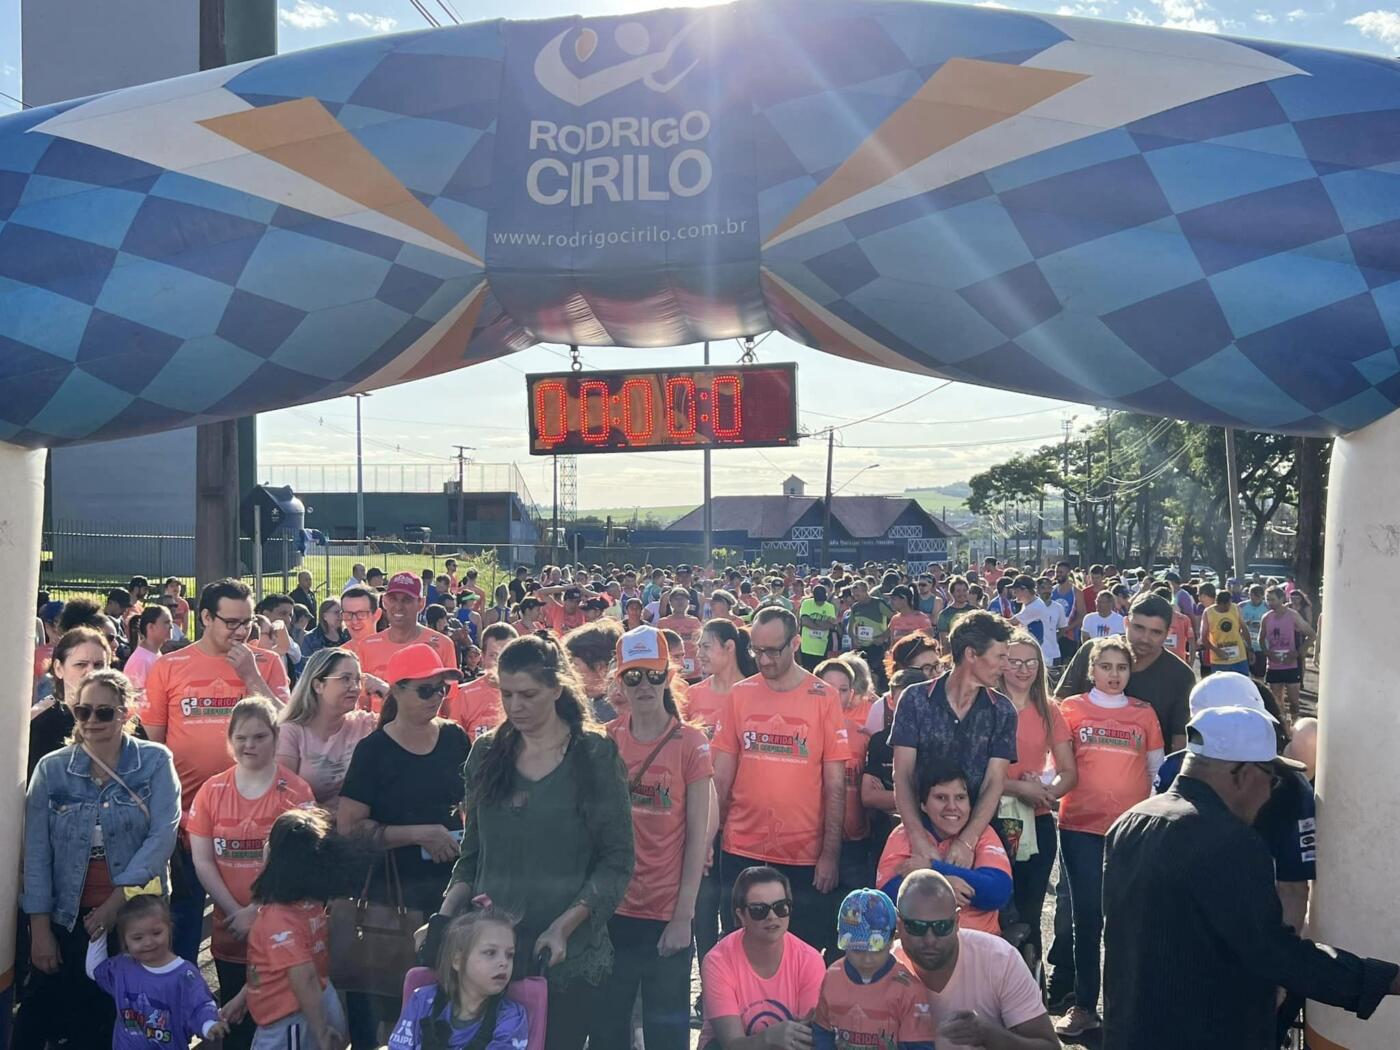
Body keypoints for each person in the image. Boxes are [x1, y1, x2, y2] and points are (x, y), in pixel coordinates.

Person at [1102, 706, 1400, 1050]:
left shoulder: (1130, 821)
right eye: (1272, 779)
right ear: (1242, 773)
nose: (1271, 793)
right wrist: (1384, 979)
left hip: (1129, 1032)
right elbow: (1274, 952)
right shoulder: (1227, 841)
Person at [442, 633, 634, 1050]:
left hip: (566, 960)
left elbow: (617, 861)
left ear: (557, 688)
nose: (516, 706)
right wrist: (444, 918)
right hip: (487, 958)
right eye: (507, 694)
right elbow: (471, 855)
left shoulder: (595, 754)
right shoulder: (485, 753)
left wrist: (564, 927)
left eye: (528, 695)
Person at [18, 669, 181, 1050]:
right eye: (83, 711)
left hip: (135, 917)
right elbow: (36, 854)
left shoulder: (155, 761)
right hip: (68, 918)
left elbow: (163, 837)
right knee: (70, 1024)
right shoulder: (52, 769)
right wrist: (39, 929)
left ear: (126, 713)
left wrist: (114, 904)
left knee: (131, 1023)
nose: (91, 721)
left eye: (104, 712)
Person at [140, 577, 291, 962]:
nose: (242, 632)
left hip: (254, 818)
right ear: (206, 617)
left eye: (248, 622)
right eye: (232, 622)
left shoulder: (267, 662)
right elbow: (155, 746)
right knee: (184, 919)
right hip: (187, 817)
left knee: (254, 920)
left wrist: (252, 677)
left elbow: (289, 728)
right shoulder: (169, 666)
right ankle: (184, 988)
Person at [336, 643, 470, 1046]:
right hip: (390, 899)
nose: (436, 698)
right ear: (396, 690)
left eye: (441, 689)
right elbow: (349, 826)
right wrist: (418, 833)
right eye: (425, 690)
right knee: (385, 1017)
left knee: (446, 1015)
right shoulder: (374, 750)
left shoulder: (454, 738)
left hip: (448, 894)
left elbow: (473, 804)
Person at [596, 626, 714, 1050]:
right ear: (619, 682)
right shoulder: (607, 740)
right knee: (608, 1029)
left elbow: (698, 837)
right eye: (632, 676)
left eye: (653, 674)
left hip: (666, 911)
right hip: (614, 908)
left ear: (669, 675)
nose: (643, 685)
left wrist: (683, 917)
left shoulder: (692, 743)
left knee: (667, 1032)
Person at [712, 607, 850, 951]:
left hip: (802, 854)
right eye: (756, 650)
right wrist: (707, 843)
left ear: (796, 643)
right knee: (740, 947)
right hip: (741, 846)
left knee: (799, 951)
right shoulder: (740, 694)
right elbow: (721, 778)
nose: (763, 660)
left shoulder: (824, 697)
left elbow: (835, 785)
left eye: (773, 651)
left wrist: (830, 854)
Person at [1053, 635, 1165, 1039]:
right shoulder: (1070, 709)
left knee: (1128, 919)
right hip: (1079, 826)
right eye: (1106, 667)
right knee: (1086, 917)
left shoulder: (1144, 713)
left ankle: (1126, 1009)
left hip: (1131, 831)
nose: (1114, 675)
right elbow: (1056, 763)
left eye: (1121, 667)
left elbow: (1157, 771)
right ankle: (1084, 1006)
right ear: (1092, 670)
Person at [190, 698, 316, 1049]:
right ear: (229, 740)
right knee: (236, 1025)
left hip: (283, 935)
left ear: (275, 737)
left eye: (260, 736)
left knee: (278, 1025)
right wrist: (236, 912)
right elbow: (203, 860)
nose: (250, 745)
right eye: (241, 737)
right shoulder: (212, 791)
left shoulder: (297, 792)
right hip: (231, 931)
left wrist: (258, 913)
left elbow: (301, 864)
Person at [890, 612, 1016, 885]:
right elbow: (902, 774)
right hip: (920, 827)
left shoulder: (1003, 710)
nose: (1006, 665)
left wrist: (968, 841)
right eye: (1000, 657)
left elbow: (994, 782)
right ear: (971, 654)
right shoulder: (915, 699)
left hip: (978, 832)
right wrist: (917, 836)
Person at [225, 809, 350, 1050]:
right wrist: (244, 998)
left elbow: (304, 977)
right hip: (310, 1008)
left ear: (276, 860)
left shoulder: (279, 920)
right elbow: (276, 970)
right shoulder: (309, 906)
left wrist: (321, 1032)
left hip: (291, 1024)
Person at [892, 871, 1059, 1050]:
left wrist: (990, 1035)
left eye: (942, 926)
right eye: (917, 927)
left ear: (957, 922)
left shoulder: (1000, 960)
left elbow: (1049, 1046)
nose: (930, 939)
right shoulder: (885, 967)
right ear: (899, 925)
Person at [997, 629, 1075, 952]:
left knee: (1029, 913)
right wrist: (1019, 788)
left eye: (1031, 662)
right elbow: (974, 774)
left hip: (1036, 818)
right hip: (993, 818)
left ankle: (1030, 976)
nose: (1023, 669)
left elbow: (1068, 772)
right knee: (997, 911)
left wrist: (1045, 792)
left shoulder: (1049, 709)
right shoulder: (987, 706)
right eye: (1015, 661)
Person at [876, 759, 1012, 935]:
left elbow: (998, 892)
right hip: (921, 943)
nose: (952, 807)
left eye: (960, 798)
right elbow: (883, 901)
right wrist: (941, 887)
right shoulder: (904, 834)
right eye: (941, 798)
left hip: (980, 940)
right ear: (923, 805)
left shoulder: (982, 833)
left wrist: (932, 868)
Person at [699, 866, 826, 1050]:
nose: (772, 916)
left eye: (781, 907)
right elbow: (731, 1045)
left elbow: (807, 1037)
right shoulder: (718, 961)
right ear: (741, 916)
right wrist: (767, 1039)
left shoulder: (810, 960)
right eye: (759, 910)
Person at [1056, 592, 1195, 752]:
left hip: (1147, 765)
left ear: (1168, 632)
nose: (1145, 638)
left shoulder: (1181, 675)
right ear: (1126, 623)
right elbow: (1059, 709)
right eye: (1139, 628)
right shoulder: (1093, 652)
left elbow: (1180, 742)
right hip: (1081, 761)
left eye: (1155, 632)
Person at [86, 894, 229, 1049]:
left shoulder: (185, 975)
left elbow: (201, 1005)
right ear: (125, 941)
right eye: (138, 938)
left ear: (169, 929)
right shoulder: (122, 967)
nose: (148, 942)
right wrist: (98, 935)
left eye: (156, 933)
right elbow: (95, 970)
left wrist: (209, 1024)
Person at [386, 907, 530, 1049]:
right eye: (490, 952)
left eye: (509, 955)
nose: (504, 962)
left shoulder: (511, 1017)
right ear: (458, 960)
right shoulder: (422, 1001)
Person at [812, 888, 935, 1050]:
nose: (867, 958)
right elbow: (822, 1031)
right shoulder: (833, 976)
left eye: (877, 949)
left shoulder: (908, 988)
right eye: (857, 950)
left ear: (892, 939)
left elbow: (918, 1045)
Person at [276, 648, 378, 813]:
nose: (355, 687)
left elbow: (408, 723)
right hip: (309, 824)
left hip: (359, 824)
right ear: (318, 685)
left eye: (358, 680)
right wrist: (328, 814)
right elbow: (283, 795)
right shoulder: (291, 732)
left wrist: (384, 688)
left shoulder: (365, 724)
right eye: (345, 679)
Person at [349, 573, 458, 714]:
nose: (398, 606)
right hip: (377, 726)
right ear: (384, 601)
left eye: (407, 600)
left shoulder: (443, 645)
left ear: (421, 603)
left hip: (425, 726)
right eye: (393, 599)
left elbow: (450, 703)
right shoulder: (366, 646)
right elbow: (362, 703)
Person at [814, 657, 876, 896]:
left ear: (851, 694)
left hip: (854, 842)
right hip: (809, 839)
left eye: (842, 690)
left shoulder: (862, 736)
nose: (834, 696)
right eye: (828, 688)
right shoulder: (801, 731)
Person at [29, 625, 113, 775]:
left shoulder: (121, 718)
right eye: (81, 664)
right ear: (58, 668)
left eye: (99, 665)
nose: (91, 671)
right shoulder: (42, 726)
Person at [446, 621, 517, 741]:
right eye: (493, 655)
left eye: (507, 655)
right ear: (482, 657)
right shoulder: (466, 696)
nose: (500, 662)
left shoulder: (530, 694)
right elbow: (452, 742)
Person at [1261, 585, 1314, 727]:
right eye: (1267, 600)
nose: (1270, 603)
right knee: (1277, 701)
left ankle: (1295, 724)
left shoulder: (1292, 615)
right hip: (1274, 666)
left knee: (1294, 701)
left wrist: (1298, 652)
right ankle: (1284, 726)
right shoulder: (1266, 617)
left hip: (1291, 665)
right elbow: (1261, 639)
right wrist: (1267, 652)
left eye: (1272, 600)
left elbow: (1311, 635)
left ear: (1281, 599)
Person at [847, 580, 893, 692]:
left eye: (857, 595)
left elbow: (895, 620)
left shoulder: (878, 603)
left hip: (877, 645)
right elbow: (850, 627)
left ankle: (876, 695)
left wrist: (884, 636)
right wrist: (854, 638)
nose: (855, 598)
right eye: (853, 595)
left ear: (865, 591)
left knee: (875, 673)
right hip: (862, 646)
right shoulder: (855, 607)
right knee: (863, 673)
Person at [656, 587, 705, 680]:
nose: (680, 602)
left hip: (694, 672)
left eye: (683, 599)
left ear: (688, 602)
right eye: (676, 599)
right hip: (671, 671)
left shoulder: (694, 621)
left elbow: (701, 643)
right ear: (670, 602)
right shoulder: (663, 623)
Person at [1202, 587, 1252, 677]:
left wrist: (1250, 648)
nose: (1228, 607)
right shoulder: (1208, 613)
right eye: (1225, 605)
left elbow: (1244, 629)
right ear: (1218, 603)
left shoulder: (1235, 608)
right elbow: (1204, 638)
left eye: (1229, 604)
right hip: (1219, 660)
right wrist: (1216, 650)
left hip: (1239, 658)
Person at [124, 605, 172, 694]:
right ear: (151, 627)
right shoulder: (141, 660)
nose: (171, 627)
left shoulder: (153, 654)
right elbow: (136, 697)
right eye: (166, 623)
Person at [796, 583, 838, 672]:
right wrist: (821, 624)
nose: (820, 603)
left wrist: (813, 622)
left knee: (819, 672)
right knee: (807, 671)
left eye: (821, 600)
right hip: (806, 647)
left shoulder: (830, 607)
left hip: (822, 647)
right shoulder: (806, 603)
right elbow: (804, 621)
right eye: (818, 600)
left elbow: (831, 625)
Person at [302, 599, 351, 666]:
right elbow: (306, 666)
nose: (340, 616)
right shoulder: (310, 638)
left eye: (341, 612)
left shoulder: (348, 635)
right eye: (336, 612)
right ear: (324, 616)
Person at [934, 577, 976, 648]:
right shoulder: (944, 614)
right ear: (952, 593)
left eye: (964, 590)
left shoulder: (974, 611)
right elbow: (944, 643)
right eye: (958, 591)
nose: (962, 593)